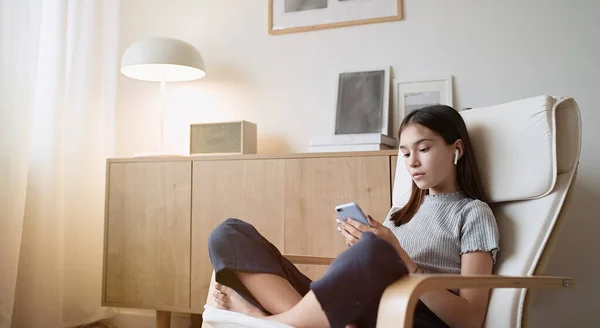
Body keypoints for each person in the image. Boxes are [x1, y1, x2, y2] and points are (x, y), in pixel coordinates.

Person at [208, 105, 500, 328]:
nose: (412, 162)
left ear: (456, 150)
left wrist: (398, 257)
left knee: (376, 250)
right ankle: (290, 321)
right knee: (229, 233)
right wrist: (360, 249)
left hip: (409, 316)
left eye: (423, 149)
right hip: (361, 308)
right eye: (405, 153)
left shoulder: (472, 213)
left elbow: (470, 319)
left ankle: (271, 322)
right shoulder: (400, 213)